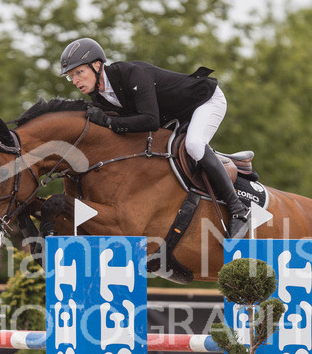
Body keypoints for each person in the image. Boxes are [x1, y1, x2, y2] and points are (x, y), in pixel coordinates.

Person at [58, 37, 250, 240]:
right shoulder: (99, 97)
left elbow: (150, 120)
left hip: (204, 101)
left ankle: (238, 209)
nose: (76, 81)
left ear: (97, 65)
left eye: (79, 72)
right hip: (176, 115)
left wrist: (108, 123)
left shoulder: (131, 74)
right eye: (71, 76)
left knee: (194, 145)